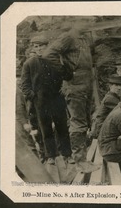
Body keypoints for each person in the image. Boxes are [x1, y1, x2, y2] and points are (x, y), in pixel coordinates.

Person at [41, 28, 100, 173]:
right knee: (78, 123)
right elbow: (48, 55)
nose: (90, 23)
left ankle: (83, 159)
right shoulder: (68, 37)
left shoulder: (84, 38)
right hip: (74, 86)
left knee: (84, 122)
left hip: (85, 84)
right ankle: (80, 161)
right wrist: (65, 72)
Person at [21, 35, 73, 165]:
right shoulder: (29, 63)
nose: (39, 49)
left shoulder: (55, 60)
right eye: (36, 46)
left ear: (47, 46)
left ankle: (67, 154)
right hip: (41, 102)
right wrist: (34, 96)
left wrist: (63, 63)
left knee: (62, 128)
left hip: (57, 99)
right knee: (45, 129)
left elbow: (68, 75)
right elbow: (25, 85)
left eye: (42, 46)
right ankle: (51, 155)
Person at [91, 74, 121, 139]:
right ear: (110, 86)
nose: (119, 88)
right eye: (116, 85)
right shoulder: (110, 98)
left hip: (105, 127)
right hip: (102, 130)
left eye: (120, 85)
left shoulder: (114, 97)